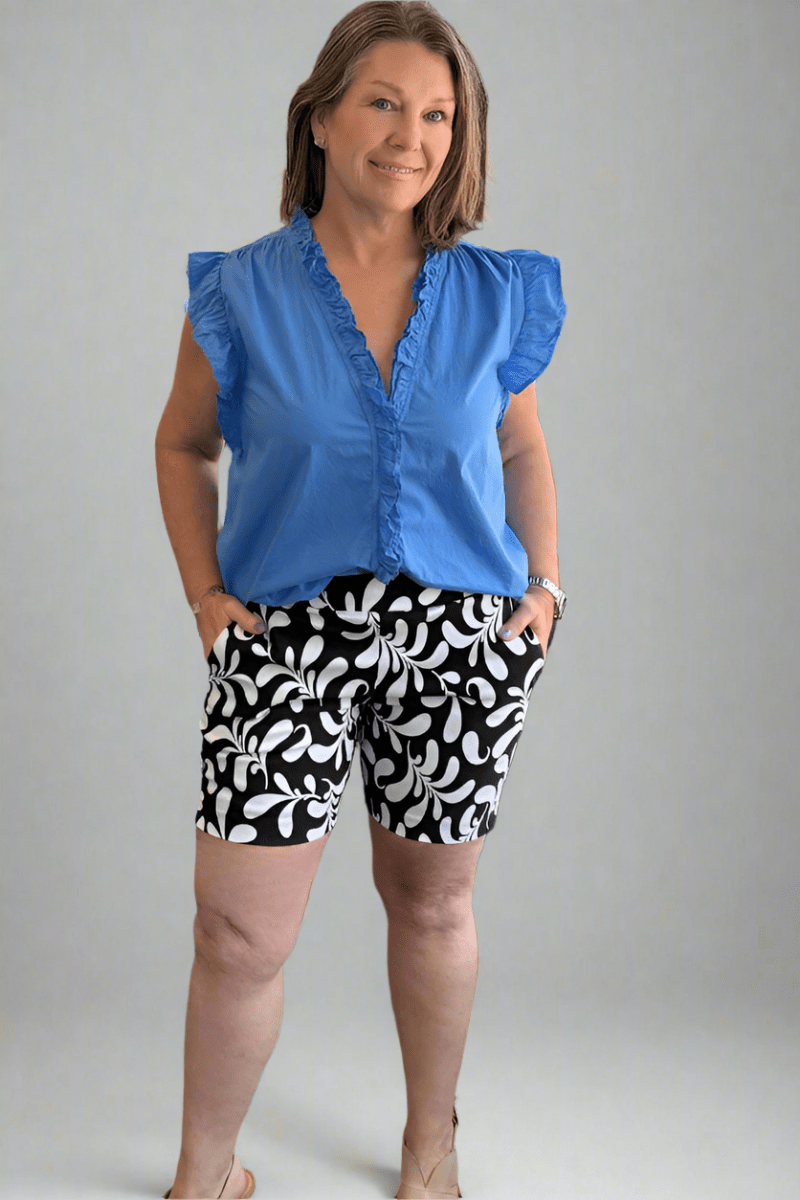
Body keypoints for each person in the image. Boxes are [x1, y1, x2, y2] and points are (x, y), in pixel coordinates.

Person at [154, 2, 567, 1196]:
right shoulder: (240, 291)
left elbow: (521, 449)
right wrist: (204, 596)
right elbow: (183, 445)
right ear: (321, 119)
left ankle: (430, 1146)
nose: (410, 135)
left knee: (432, 905)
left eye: (437, 114)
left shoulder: (492, 293)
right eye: (383, 103)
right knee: (236, 929)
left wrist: (542, 590)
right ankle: (204, 1173)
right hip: (283, 635)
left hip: (457, 638)